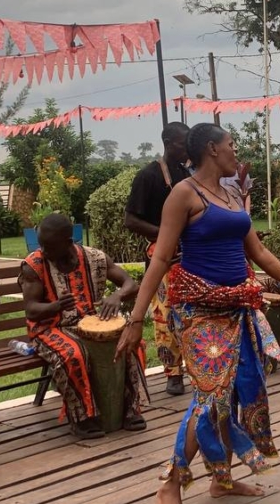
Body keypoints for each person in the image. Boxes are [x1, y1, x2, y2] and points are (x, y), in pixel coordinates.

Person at [116, 123, 280, 504]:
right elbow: (161, 259)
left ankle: (222, 480)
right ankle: (171, 484)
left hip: (239, 308)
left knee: (233, 395)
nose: (236, 150)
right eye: (231, 144)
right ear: (212, 149)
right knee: (211, 398)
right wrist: (137, 318)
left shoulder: (231, 192)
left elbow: (259, 251)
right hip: (199, 312)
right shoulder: (183, 194)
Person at [20, 213, 149, 439]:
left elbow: (131, 284)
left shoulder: (95, 258)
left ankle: (130, 408)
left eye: (49, 246)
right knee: (73, 354)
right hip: (49, 328)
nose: (44, 251)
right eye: (42, 245)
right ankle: (82, 417)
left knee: (130, 343)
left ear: (69, 242)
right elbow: (31, 310)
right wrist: (55, 306)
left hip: (89, 323)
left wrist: (117, 295)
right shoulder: (34, 265)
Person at [125, 122, 191, 397]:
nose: (185, 148)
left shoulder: (188, 173)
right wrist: (167, 235)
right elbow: (130, 220)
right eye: (181, 143)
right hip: (163, 258)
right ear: (167, 142)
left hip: (190, 255)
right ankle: (173, 373)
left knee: (189, 314)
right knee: (164, 316)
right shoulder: (148, 176)